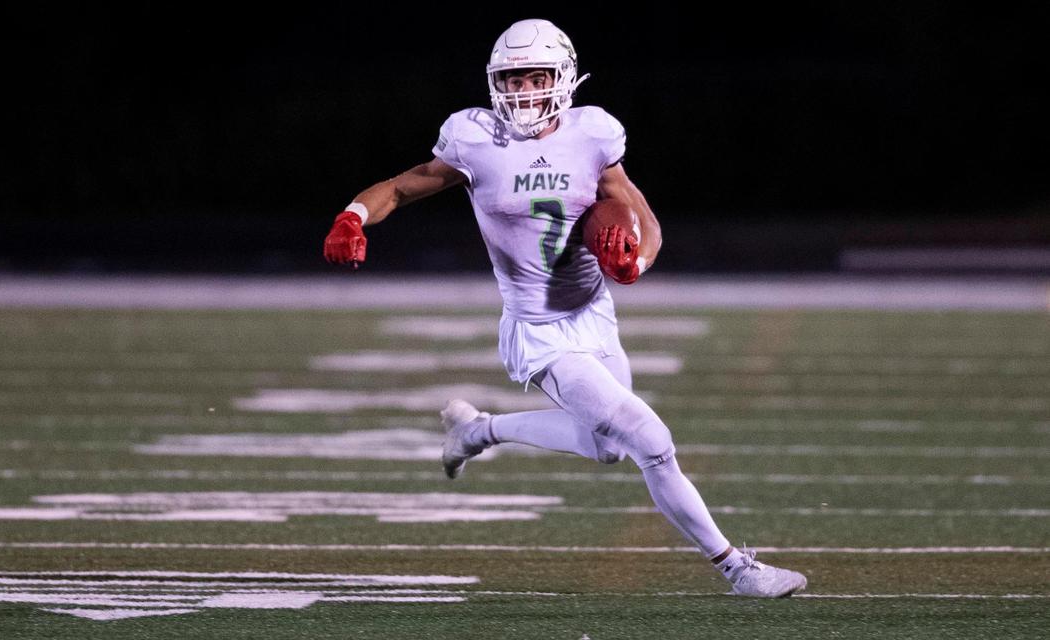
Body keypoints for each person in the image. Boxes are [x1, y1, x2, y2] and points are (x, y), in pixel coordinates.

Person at [323, 18, 807, 598]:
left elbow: (637, 212)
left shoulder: (592, 133)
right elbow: (403, 186)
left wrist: (639, 263)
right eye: (512, 79)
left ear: (563, 77)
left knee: (606, 447)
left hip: (593, 313)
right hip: (540, 330)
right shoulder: (476, 140)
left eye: (535, 77)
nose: (523, 92)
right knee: (649, 439)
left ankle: (478, 432)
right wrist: (352, 215)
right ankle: (737, 569)